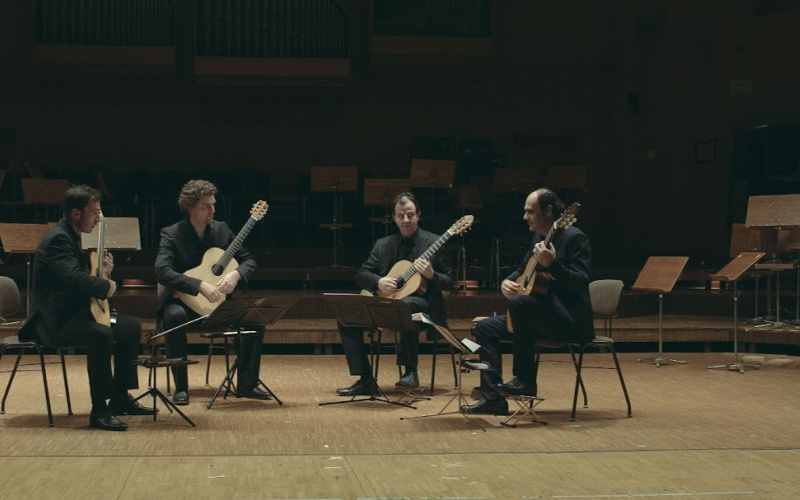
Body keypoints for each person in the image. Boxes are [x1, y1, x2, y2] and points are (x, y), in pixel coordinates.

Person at [19, 185, 154, 431]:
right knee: (101, 334)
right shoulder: (58, 239)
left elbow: (78, 279)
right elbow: (73, 279)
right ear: (76, 214)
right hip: (56, 321)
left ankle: (120, 398)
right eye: (94, 213)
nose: (99, 218)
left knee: (129, 326)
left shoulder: (69, 235)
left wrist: (104, 271)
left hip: (77, 313)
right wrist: (107, 286)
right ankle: (99, 410)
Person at [461, 188, 594, 415]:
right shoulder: (538, 237)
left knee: (519, 304)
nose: (525, 217)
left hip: (568, 320)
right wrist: (506, 282)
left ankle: (525, 379)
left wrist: (553, 265)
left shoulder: (575, 238)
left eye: (530, 212)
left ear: (548, 211)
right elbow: (523, 269)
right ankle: (493, 398)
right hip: (539, 317)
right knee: (484, 328)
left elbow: (580, 282)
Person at [155, 180, 268, 405]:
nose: (212, 210)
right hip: (185, 305)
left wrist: (235, 275)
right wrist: (199, 285)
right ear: (190, 208)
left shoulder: (222, 229)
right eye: (206, 206)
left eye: (213, 205)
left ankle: (247, 384)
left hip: (218, 306)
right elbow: (162, 271)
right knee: (174, 316)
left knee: (256, 320)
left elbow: (248, 260)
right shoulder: (172, 234)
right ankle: (181, 388)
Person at [336, 191, 453, 396]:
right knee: (347, 316)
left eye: (410, 215)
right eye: (401, 215)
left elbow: (450, 281)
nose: (405, 220)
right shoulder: (383, 244)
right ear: (394, 217)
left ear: (418, 215)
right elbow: (361, 274)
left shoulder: (434, 243)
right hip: (386, 303)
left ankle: (410, 371)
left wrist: (432, 274)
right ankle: (365, 379)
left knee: (406, 305)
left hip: (422, 305)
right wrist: (379, 282)